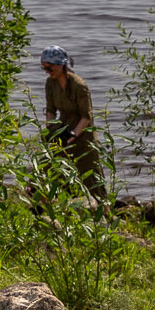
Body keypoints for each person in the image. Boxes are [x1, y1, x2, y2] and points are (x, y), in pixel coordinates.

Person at [39, 46, 104, 200]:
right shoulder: (50, 83)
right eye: (44, 68)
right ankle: (41, 207)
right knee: (48, 167)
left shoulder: (79, 86)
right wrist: (50, 129)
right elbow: (50, 110)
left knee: (92, 178)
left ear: (61, 65)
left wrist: (73, 135)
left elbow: (86, 117)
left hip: (83, 135)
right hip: (62, 128)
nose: (47, 71)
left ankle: (106, 213)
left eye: (49, 67)